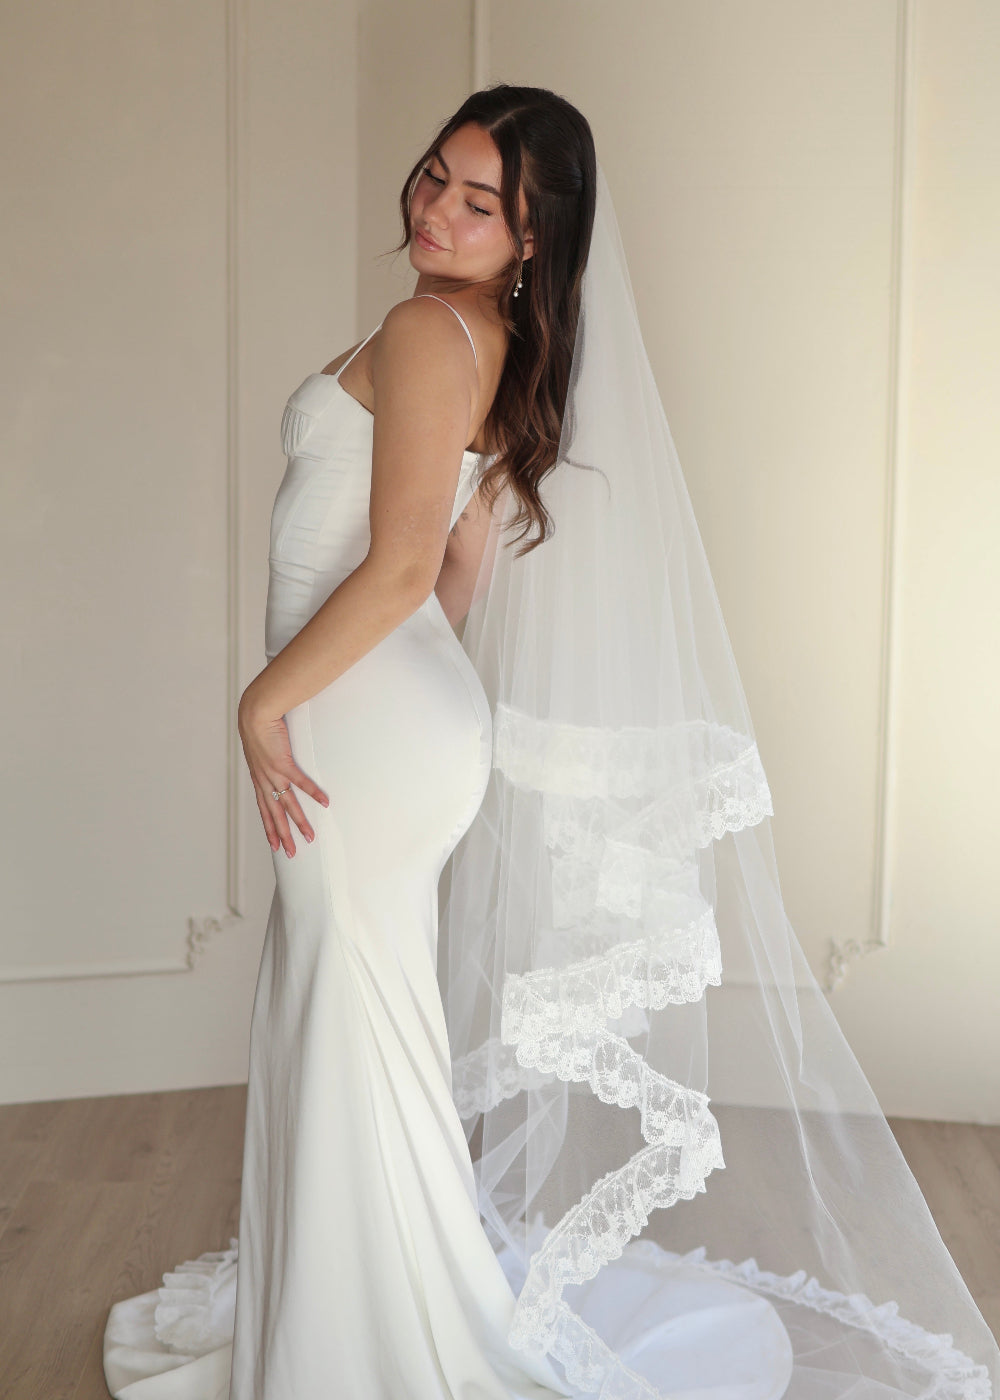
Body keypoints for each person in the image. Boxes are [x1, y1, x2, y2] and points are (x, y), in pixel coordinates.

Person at [103, 85, 999, 1400]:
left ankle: (366, 1346)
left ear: (534, 237)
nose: (437, 210)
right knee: (348, 1018)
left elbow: (407, 566)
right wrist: (386, 701)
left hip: (357, 708)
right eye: (434, 177)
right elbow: (458, 568)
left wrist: (263, 703)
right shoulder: (494, 336)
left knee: (344, 1020)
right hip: (396, 708)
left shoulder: (426, 328)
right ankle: (355, 1314)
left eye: (482, 204)